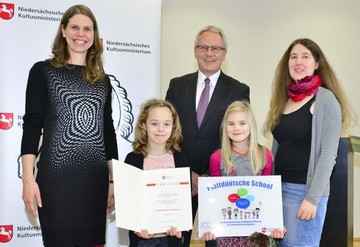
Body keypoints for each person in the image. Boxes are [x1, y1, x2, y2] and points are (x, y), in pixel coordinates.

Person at [21, 5, 118, 247]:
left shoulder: (103, 81)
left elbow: (107, 131)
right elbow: (32, 125)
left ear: (94, 36)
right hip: (55, 181)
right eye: (74, 27)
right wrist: (27, 179)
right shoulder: (42, 71)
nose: (81, 34)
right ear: (63, 30)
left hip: (94, 182)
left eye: (87, 29)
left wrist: (114, 181)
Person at [263, 38, 353, 247]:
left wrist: (312, 199)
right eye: (293, 57)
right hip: (278, 191)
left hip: (304, 192)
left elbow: (328, 155)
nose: (298, 62)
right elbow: (277, 147)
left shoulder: (326, 100)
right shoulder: (284, 99)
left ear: (317, 63)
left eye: (305, 56)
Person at [165, 25, 250, 246]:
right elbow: (168, 132)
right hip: (181, 179)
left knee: (216, 241)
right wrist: (188, 173)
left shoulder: (239, 90)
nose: (209, 53)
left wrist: (209, 176)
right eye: (203, 47)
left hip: (220, 180)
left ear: (224, 53)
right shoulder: (176, 85)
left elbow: (239, 136)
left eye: (215, 48)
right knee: (176, 239)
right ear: (195, 51)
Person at [201, 101, 286, 246]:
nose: (236, 128)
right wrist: (209, 227)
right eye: (231, 124)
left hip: (257, 235)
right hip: (227, 234)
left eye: (242, 123)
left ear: (251, 125)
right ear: (225, 127)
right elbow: (213, 200)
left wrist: (275, 224)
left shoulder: (265, 155)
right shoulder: (217, 158)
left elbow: (268, 198)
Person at [124, 98, 189, 247]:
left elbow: (184, 203)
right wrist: (136, 227)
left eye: (166, 124)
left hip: (172, 240)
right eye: (154, 123)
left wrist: (181, 228)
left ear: (173, 127)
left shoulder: (182, 160)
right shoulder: (132, 159)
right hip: (142, 240)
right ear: (143, 125)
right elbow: (129, 202)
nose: (160, 129)